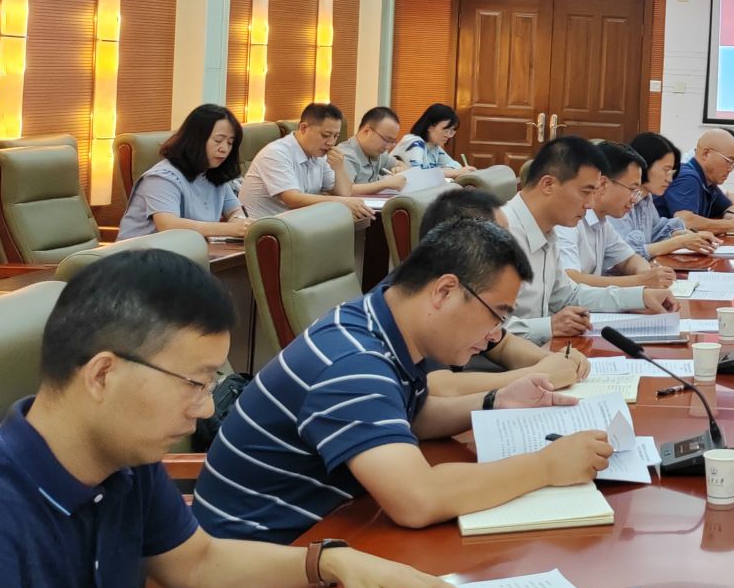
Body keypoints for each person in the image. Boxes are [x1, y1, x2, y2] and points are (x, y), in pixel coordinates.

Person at [0, 252, 470, 588]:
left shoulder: (124, 462)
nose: (206, 408)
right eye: (194, 383)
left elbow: (198, 563)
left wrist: (328, 562)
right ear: (103, 374)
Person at [194, 218, 612, 543]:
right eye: (496, 315)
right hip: (261, 562)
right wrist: (547, 465)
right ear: (444, 291)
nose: (494, 335)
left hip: (328, 532)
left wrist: (493, 400)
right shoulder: (353, 364)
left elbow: (410, 416)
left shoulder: (379, 319)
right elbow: (417, 500)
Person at [408, 188, 590, 398]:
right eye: (502, 242)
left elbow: (503, 344)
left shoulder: (469, 284)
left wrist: (553, 360)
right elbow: (438, 386)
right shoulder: (415, 298)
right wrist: (536, 374)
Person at [501, 136, 682, 346]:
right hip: (503, 364)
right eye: (586, 192)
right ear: (548, 184)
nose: (589, 204)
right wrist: (549, 326)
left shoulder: (547, 230)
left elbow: (568, 294)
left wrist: (639, 297)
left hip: (539, 353)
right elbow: (482, 329)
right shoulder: (498, 234)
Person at [114, 103, 249, 241]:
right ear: (195, 139)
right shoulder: (161, 178)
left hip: (192, 250)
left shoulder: (213, 174)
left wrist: (238, 221)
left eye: (230, 143)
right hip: (143, 252)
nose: (224, 149)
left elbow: (234, 210)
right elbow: (168, 225)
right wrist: (230, 229)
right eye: (218, 140)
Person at [565, 142, 681, 289]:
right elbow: (570, 279)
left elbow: (629, 260)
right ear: (603, 184)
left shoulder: (602, 222)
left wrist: (647, 274)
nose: (634, 199)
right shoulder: (568, 219)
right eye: (632, 189)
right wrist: (642, 280)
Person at [238, 102, 371, 224]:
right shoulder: (276, 153)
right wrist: (341, 202)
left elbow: (344, 193)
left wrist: (339, 167)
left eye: (335, 136)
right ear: (303, 128)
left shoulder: (319, 154)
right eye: (325, 135)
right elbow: (292, 199)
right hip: (264, 230)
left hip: (298, 225)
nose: (331, 142)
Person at [620, 132, 718, 260]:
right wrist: (680, 242)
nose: (670, 179)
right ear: (644, 164)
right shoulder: (618, 200)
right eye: (666, 170)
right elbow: (625, 255)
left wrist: (687, 235)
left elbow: (655, 232)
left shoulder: (645, 198)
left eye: (672, 172)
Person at [661, 128, 734, 232]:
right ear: (706, 154)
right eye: (729, 161)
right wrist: (731, 225)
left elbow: (731, 206)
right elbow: (685, 222)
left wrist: (730, 215)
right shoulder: (688, 177)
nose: (730, 169)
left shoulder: (709, 183)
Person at [337, 106, 408, 196]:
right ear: (366, 131)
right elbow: (346, 189)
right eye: (387, 139)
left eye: (393, 141)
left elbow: (399, 164)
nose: (388, 147)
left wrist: (401, 168)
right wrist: (385, 184)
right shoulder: (344, 155)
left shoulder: (377, 153)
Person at [394, 103, 467, 171]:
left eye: (451, 131)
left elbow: (456, 165)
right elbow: (418, 173)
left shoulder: (434, 146)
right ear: (430, 126)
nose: (448, 135)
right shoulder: (414, 142)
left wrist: (450, 171)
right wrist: (455, 172)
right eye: (445, 130)